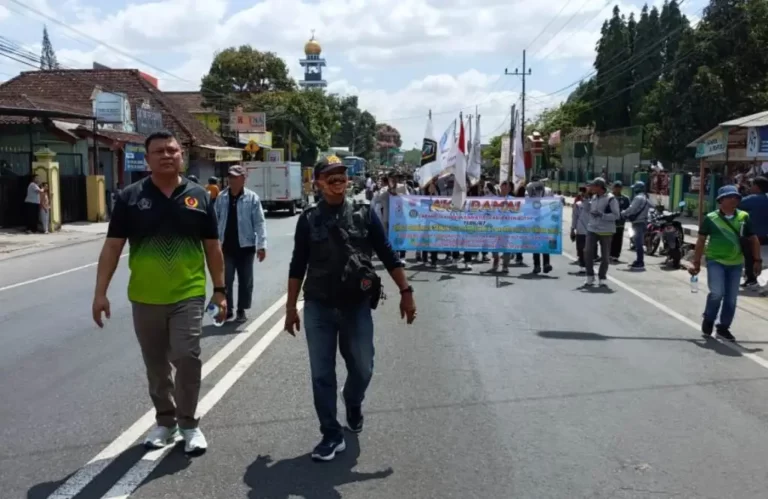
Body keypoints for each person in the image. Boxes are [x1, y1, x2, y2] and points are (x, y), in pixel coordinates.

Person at [91, 130, 226, 455]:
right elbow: (112, 247)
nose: (167, 155)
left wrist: (219, 291)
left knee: (187, 357)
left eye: (172, 150)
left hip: (189, 293)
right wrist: (100, 293)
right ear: (148, 158)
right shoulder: (130, 198)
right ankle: (165, 422)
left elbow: (212, 246)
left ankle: (189, 424)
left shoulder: (200, 196)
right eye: (159, 151)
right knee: (156, 366)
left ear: (182, 156)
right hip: (145, 296)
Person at [284, 155, 417, 462]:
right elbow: (296, 265)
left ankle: (353, 401)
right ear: (318, 182)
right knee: (321, 373)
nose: (338, 179)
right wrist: (291, 308)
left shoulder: (363, 213)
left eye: (342, 174)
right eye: (330, 175)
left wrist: (406, 292)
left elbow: (387, 254)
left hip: (356, 306)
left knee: (363, 366)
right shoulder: (308, 219)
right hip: (318, 306)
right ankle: (330, 434)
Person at [690, 185, 761, 341]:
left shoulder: (743, 217)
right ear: (721, 200)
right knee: (717, 293)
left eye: (736, 197)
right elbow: (701, 240)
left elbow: (753, 239)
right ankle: (709, 317)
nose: (734, 200)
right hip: (715, 260)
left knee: (731, 298)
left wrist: (757, 260)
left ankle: (723, 327)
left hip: (736, 263)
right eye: (730, 197)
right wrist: (696, 263)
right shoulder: (711, 218)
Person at [214, 165, 267, 323]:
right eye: (230, 177)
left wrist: (261, 245)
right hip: (226, 247)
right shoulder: (221, 198)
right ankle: (227, 309)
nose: (232, 180)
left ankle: (241, 309)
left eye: (236, 177)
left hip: (246, 247)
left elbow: (259, 223)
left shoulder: (252, 198)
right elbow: (214, 221)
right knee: (226, 280)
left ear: (244, 179)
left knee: (245, 281)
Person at [584, 177, 619, 286]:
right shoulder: (593, 197)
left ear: (599, 187)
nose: (591, 188)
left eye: (593, 186)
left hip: (606, 230)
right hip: (592, 228)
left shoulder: (611, 199)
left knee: (605, 256)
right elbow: (587, 210)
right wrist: (585, 198)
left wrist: (602, 215)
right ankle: (590, 275)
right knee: (587, 251)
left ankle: (602, 276)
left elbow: (616, 215)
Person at [738, 176, 768, 287]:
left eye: (752, 185)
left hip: (751, 234)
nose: (750, 187)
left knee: (749, 257)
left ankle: (751, 278)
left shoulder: (752, 199)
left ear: (757, 187)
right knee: (755, 257)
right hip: (764, 235)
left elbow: (737, 203)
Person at [621, 181, 651, 270]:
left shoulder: (638, 198)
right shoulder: (646, 198)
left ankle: (640, 262)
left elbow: (632, 209)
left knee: (638, 243)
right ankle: (639, 260)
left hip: (638, 222)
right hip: (643, 222)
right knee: (638, 243)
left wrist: (623, 213)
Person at [526, 178, 552, 274]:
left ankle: (546, 264)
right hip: (534, 224)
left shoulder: (547, 194)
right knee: (536, 245)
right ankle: (537, 265)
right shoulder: (528, 196)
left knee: (545, 243)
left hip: (545, 223)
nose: (538, 191)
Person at [492, 181, 513, 273]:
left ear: (510, 189)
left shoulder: (513, 200)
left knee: (506, 247)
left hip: (507, 226)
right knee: (494, 246)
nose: (504, 189)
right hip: (496, 226)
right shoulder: (494, 199)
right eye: (503, 187)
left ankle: (505, 265)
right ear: (500, 187)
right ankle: (496, 260)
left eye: (506, 187)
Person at [610, 181, 631, 262]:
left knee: (618, 239)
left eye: (619, 187)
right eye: (616, 187)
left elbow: (628, 209)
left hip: (620, 223)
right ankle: (609, 254)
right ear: (613, 187)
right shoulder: (609, 197)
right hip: (610, 222)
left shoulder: (625, 199)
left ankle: (615, 255)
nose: (617, 189)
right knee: (609, 239)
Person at [570, 185, 590, 272]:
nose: (583, 194)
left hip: (592, 230)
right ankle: (582, 265)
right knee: (581, 248)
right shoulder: (578, 205)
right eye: (582, 193)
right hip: (581, 229)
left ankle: (588, 265)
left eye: (585, 192)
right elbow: (574, 217)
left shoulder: (594, 204)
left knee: (589, 249)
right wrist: (572, 229)